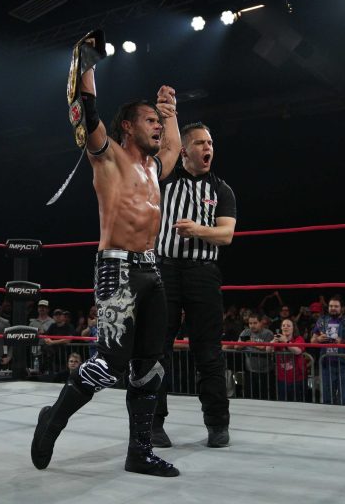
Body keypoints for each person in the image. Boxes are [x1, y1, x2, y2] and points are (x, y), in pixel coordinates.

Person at [32, 36, 182, 477]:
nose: (157, 128)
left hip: (151, 269)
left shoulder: (154, 168)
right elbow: (88, 112)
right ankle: (53, 420)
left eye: (159, 122)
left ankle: (139, 452)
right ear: (128, 127)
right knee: (109, 364)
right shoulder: (108, 157)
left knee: (150, 365)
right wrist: (87, 64)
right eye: (151, 121)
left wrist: (170, 111)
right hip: (116, 268)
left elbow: (174, 149)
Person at [151, 121, 236, 448]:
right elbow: (160, 151)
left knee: (209, 350)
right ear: (184, 150)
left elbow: (226, 234)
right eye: (200, 143)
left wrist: (198, 230)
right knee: (156, 349)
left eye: (210, 143)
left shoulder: (221, 189)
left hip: (203, 273)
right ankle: (153, 424)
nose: (208, 148)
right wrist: (167, 114)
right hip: (165, 270)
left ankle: (217, 424)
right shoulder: (163, 181)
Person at [311, 295, 345, 405]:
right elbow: (312, 341)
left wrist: (343, 342)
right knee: (327, 398)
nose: (333, 308)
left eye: (336, 306)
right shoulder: (322, 320)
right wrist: (318, 339)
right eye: (331, 306)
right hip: (326, 364)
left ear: (342, 308)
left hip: (344, 364)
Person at [236, 312, 275, 400]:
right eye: (250, 323)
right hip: (250, 371)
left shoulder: (268, 333)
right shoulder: (246, 332)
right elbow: (237, 346)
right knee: (249, 397)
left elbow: (266, 348)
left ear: (261, 322)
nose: (252, 326)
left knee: (266, 398)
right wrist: (245, 343)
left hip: (266, 372)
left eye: (255, 323)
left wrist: (251, 343)